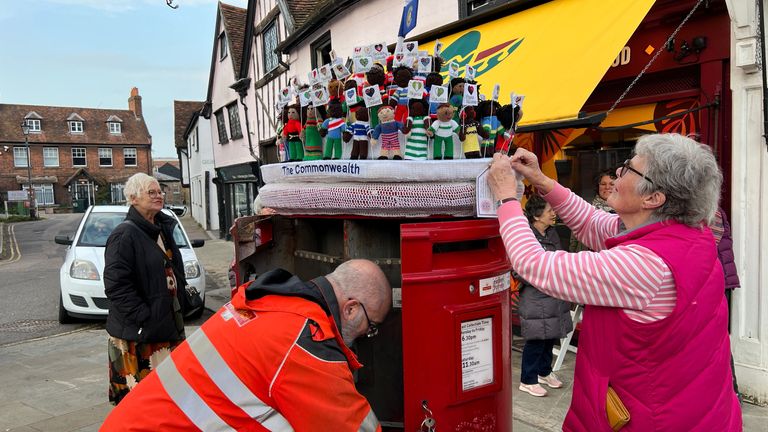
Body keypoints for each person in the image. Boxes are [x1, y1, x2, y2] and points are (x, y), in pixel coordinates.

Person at [487, 133, 741, 431]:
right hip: (694, 411)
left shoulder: (647, 265)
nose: (617, 173)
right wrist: (542, 181)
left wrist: (506, 198)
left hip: (654, 420)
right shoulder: (687, 233)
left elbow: (535, 264)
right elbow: (594, 223)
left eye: (628, 168)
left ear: (653, 198)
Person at [100, 259, 392, 432]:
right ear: (351, 309)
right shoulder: (304, 341)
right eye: (372, 325)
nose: (368, 333)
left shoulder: (271, 303)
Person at [103, 173, 188, 405]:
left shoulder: (162, 227)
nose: (159, 195)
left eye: (160, 191)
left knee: (168, 396)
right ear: (133, 198)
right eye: (151, 192)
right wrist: (145, 319)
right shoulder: (123, 235)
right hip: (139, 336)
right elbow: (116, 286)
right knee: (141, 402)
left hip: (166, 326)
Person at [517, 195, 573, 398]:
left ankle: (544, 372)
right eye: (550, 210)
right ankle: (528, 379)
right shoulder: (526, 235)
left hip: (554, 294)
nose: (553, 213)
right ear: (536, 215)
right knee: (536, 339)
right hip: (536, 296)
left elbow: (561, 259)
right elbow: (519, 269)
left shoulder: (552, 233)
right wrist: (545, 276)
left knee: (551, 336)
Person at [570, 170, 615, 252]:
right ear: (598, 187)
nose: (607, 187)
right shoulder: (586, 208)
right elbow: (574, 239)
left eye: (612, 184)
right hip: (586, 259)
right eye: (603, 184)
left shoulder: (624, 211)